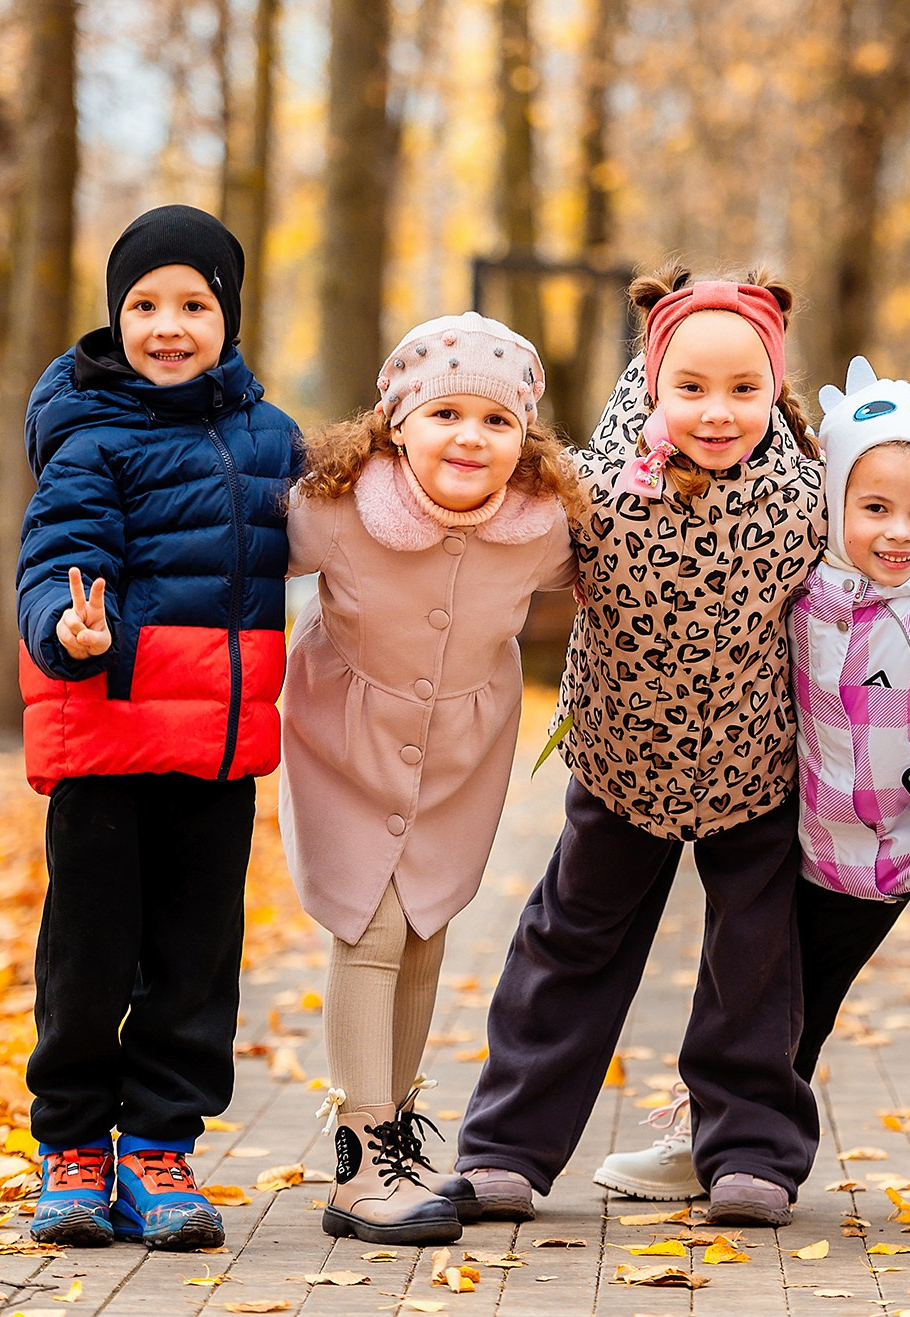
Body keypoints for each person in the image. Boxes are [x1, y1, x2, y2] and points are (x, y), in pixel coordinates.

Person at [595, 358, 910, 1250]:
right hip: (833, 832)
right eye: (876, 508)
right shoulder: (807, 589)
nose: (899, 533)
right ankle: (718, 1123)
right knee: (770, 981)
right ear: (834, 503)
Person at [453, 265, 827, 1228]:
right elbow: (501, 534)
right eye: (691, 387)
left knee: (756, 957)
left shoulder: (807, 495)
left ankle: (748, 1146)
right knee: (572, 939)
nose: (718, 411)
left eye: (745, 390)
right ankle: (505, 1146)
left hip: (757, 757)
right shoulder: (595, 489)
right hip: (623, 755)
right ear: (652, 379)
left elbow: (880, 571)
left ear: (774, 385)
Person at [14, 205, 301, 1250]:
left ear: (228, 315)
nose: (167, 325)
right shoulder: (91, 436)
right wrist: (67, 629)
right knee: (89, 956)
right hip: (106, 737)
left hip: (214, 750)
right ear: (115, 316)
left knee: (196, 957)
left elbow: (325, 541)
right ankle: (75, 1146)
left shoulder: (269, 438)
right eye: (143, 304)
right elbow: (54, 558)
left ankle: (158, 1146)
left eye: (192, 303)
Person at [279, 312, 580, 1245]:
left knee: (420, 925)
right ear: (396, 421)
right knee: (366, 923)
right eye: (446, 412)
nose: (469, 437)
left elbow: (634, 571)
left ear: (522, 439)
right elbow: (232, 566)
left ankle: (398, 1135)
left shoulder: (544, 527)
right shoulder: (331, 507)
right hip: (346, 738)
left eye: (496, 422)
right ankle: (360, 1159)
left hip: (458, 752)